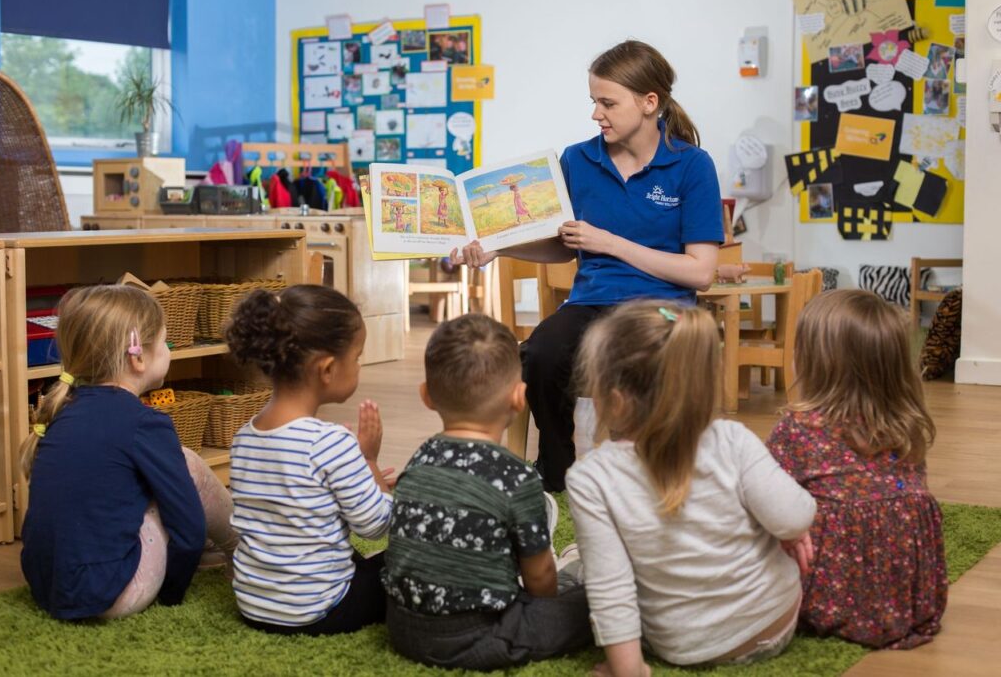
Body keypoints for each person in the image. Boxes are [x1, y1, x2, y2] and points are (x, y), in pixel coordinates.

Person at [451, 40, 723, 492]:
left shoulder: (692, 166)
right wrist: (502, 248)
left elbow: (700, 272)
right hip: (593, 304)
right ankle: (557, 477)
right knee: (540, 354)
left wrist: (610, 242)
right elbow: (564, 247)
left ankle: (652, 480)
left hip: (665, 310)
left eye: (608, 102)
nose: (596, 114)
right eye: (594, 101)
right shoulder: (577, 159)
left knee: (638, 367)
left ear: (649, 102)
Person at [564, 301, 817, 674]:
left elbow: (610, 588)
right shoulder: (733, 439)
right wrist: (790, 531)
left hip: (683, 645)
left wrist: (628, 669)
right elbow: (795, 517)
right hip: (775, 622)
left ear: (613, 401)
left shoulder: (591, 478)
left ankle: (570, 561)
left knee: (581, 570)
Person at [382, 314, 593, 671]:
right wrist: (547, 607)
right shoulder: (516, 477)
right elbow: (540, 580)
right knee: (598, 603)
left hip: (402, 627)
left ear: (426, 396)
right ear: (519, 397)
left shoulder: (418, 459)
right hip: (482, 635)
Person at [20, 285, 238, 620]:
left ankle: (217, 552)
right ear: (137, 357)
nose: (168, 350)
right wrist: (172, 592)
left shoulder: (62, 411)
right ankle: (242, 550)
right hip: (111, 594)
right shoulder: (144, 423)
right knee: (188, 466)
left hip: (46, 588)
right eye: (164, 343)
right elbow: (189, 526)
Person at [765, 290, 948, 649]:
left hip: (831, 598)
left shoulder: (798, 430)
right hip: (911, 601)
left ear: (817, 364)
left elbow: (767, 506)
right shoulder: (905, 426)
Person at [224, 285, 396, 636]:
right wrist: (370, 463)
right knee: (406, 561)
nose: (359, 366)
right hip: (319, 610)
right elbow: (377, 527)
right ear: (328, 369)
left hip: (254, 606)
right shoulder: (332, 443)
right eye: (358, 357)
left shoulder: (243, 437)